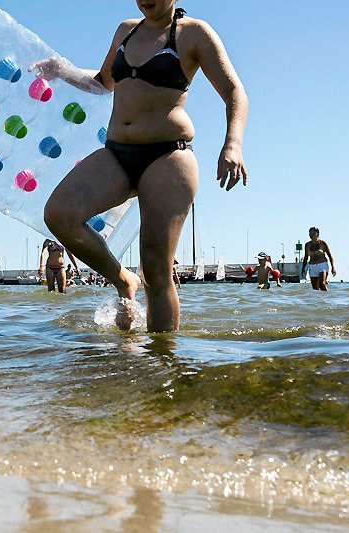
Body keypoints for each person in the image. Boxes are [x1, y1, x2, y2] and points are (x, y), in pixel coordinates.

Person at [32, 1, 248, 331]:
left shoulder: (194, 34)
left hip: (168, 156)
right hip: (117, 153)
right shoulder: (126, 30)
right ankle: (123, 280)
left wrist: (232, 143)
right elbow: (102, 82)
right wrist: (63, 70)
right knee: (59, 214)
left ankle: (162, 357)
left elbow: (234, 91)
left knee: (156, 270)